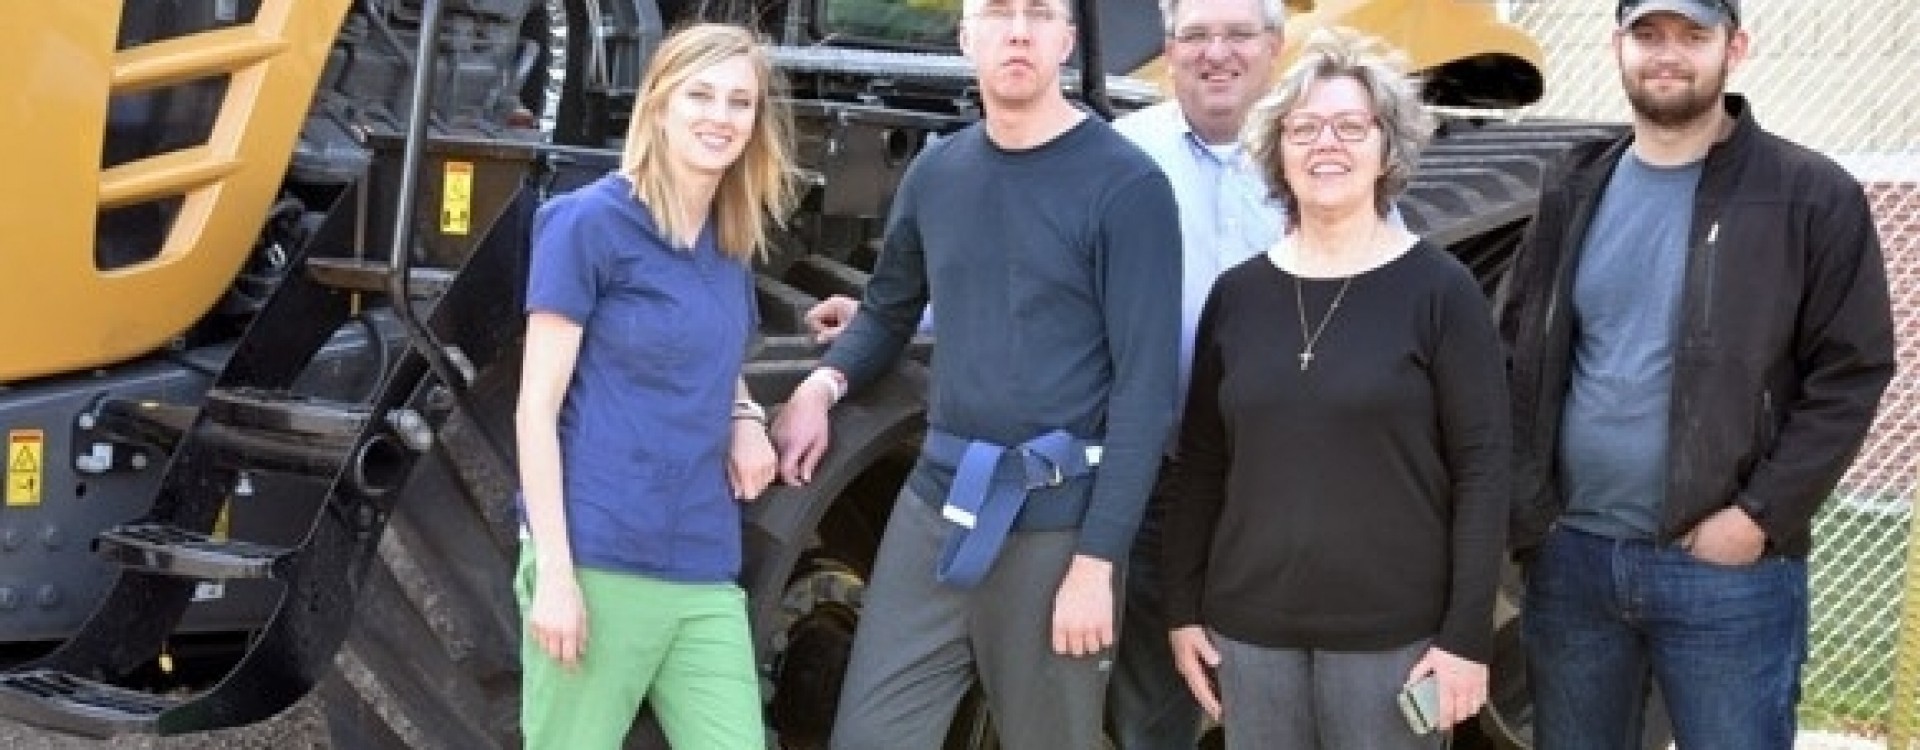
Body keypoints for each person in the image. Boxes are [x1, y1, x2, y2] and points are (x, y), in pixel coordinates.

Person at [771, 0, 1183, 745]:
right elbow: (889, 312)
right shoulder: (938, 171)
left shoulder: (1127, 188)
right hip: (939, 510)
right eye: (997, 12)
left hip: (1058, 531)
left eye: (1039, 13)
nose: (1018, 29)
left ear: (1066, 38)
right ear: (967, 36)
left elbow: (1145, 393)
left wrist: (1097, 565)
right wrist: (820, 385)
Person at [1502, 1, 1896, 748]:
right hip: (1574, 560)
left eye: (1693, 35)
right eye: (1648, 35)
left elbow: (1851, 374)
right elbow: (1517, 351)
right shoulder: (1574, 186)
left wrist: (1756, 519)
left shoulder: (1810, 196)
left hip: (1725, 574)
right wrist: (1534, 517)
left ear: (1735, 48)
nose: (1667, 54)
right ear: (1618, 46)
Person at [1162, 27, 1509, 750]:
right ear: (1277, 150)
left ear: (1388, 149)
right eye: (1306, 128)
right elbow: (1201, 466)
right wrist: (1182, 609)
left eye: (1352, 127)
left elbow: (1484, 470)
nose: (1328, 144)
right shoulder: (1239, 295)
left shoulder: (1441, 292)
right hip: (1249, 636)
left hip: (1394, 641)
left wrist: (1467, 639)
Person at [513, 23, 797, 750]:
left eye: (740, 102)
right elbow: (536, 409)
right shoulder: (587, 224)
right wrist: (554, 575)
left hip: (703, 563)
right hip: (599, 556)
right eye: (700, 94)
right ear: (659, 104)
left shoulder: (729, 243)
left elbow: (709, 350)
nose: (720, 116)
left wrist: (743, 416)